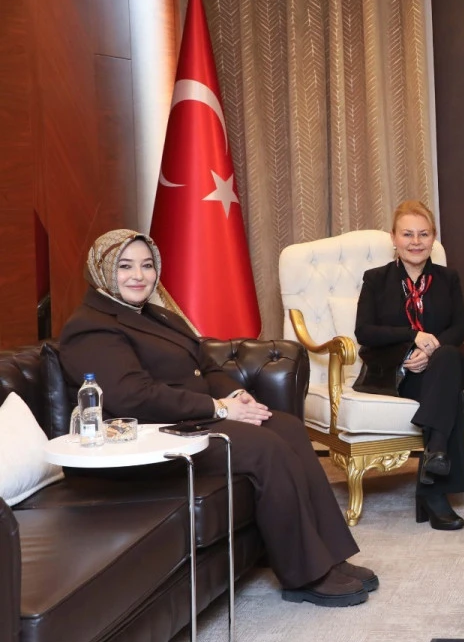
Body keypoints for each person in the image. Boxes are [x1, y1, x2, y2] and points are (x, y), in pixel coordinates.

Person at [59, 230, 373, 608]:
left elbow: (205, 366)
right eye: (125, 267)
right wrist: (218, 408)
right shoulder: (91, 325)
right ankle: (305, 574)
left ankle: (330, 555)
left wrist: (235, 394)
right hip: (150, 437)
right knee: (265, 449)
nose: (138, 276)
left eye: (147, 265)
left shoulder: (159, 314)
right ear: (102, 270)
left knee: (288, 427)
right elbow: (134, 397)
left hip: (189, 420)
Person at [353, 200, 464, 531]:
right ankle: (435, 485)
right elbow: (364, 331)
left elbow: (459, 329)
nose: (416, 241)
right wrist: (412, 339)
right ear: (393, 237)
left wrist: (431, 350)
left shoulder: (448, 278)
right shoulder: (376, 279)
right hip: (400, 372)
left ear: (433, 237)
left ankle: (435, 458)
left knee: (448, 357)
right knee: (451, 396)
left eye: (424, 234)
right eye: (407, 234)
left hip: (442, 365)